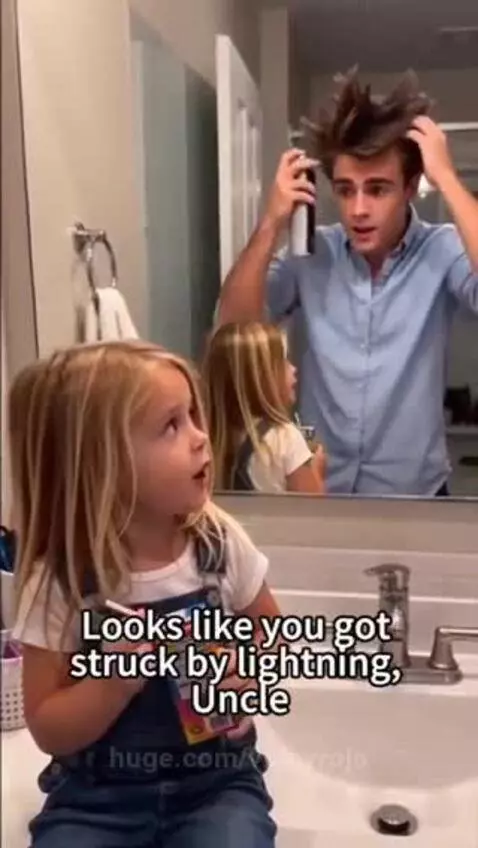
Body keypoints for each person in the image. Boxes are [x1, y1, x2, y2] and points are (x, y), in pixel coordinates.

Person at [9, 340, 279, 848]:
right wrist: (112, 686)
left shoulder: (217, 544)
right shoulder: (63, 580)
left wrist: (249, 675)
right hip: (95, 801)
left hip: (217, 788)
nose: (202, 438)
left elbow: (272, 635)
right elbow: (47, 726)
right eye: (171, 425)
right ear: (101, 461)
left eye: (194, 416)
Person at [217, 68, 478, 497]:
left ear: (411, 187)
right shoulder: (310, 256)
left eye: (377, 190)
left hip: (416, 494)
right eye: (345, 189)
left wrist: (446, 178)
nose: (357, 209)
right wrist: (271, 223)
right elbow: (232, 328)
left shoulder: (442, 249)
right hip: (321, 491)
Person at [201, 321, 325, 493]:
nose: (294, 369)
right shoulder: (285, 438)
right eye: (283, 362)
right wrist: (316, 469)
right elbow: (315, 513)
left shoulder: (206, 439)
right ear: (262, 378)